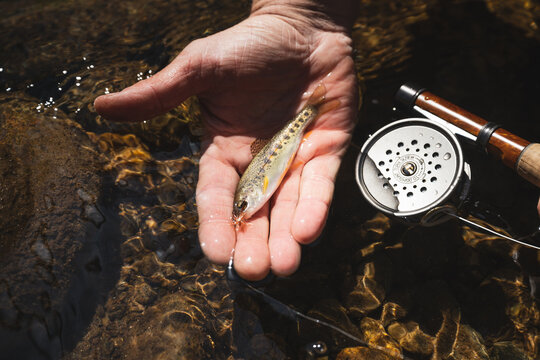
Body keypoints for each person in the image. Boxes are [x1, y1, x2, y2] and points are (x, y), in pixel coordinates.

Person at [95, 0, 359, 281]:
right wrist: (297, 14)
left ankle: (313, 109)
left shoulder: (254, 189)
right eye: (242, 208)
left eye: (242, 206)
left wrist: (303, 19)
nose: (243, 211)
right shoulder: (252, 190)